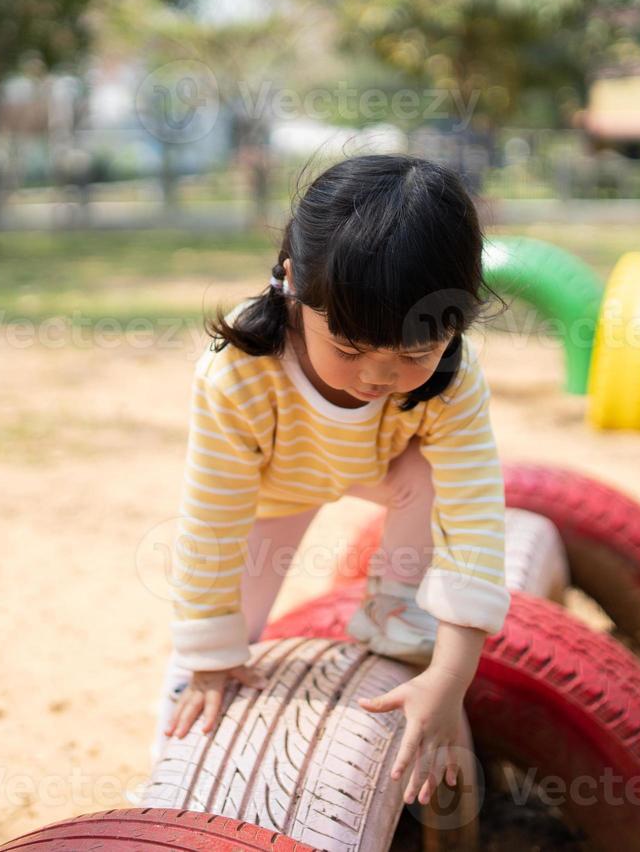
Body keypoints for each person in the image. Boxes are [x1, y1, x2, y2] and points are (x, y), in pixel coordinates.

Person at [147, 153, 511, 807]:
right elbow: (211, 522)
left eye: (413, 355)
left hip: (391, 469)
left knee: (433, 475)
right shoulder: (237, 375)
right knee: (214, 649)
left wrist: (451, 675)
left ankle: (396, 609)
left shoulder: (453, 382)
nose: (377, 376)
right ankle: (169, 781)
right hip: (274, 486)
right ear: (294, 286)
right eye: (349, 349)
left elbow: (475, 518)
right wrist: (209, 656)